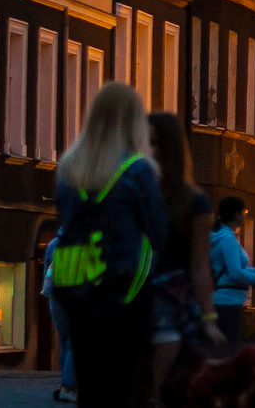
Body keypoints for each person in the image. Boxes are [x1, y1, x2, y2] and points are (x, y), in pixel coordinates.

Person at [52, 82, 167, 408]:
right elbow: (157, 230)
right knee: (123, 381)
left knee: (89, 378)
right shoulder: (137, 169)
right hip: (125, 286)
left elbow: (67, 220)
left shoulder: (69, 167)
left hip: (75, 281)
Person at [147, 112, 226, 401]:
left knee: (164, 382)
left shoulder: (193, 203)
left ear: (169, 149)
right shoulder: (131, 193)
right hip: (131, 293)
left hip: (171, 299)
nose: (147, 151)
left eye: (154, 143)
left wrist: (208, 318)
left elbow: (199, 265)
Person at [210, 196, 255, 344]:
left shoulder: (220, 235)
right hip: (228, 302)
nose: (245, 215)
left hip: (219, 300)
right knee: (229, 348)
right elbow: (235, 272)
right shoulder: (228, 239)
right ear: (236, 215)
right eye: (244, 212)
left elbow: (233, 267)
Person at [41, 235, 77, 402]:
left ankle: (65, 382)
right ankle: (68, 385)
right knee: (74, 343)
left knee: (64, 342)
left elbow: (47, 269)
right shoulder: (89, 240)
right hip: (77, 296)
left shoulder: (55, 243)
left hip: (56, 297)